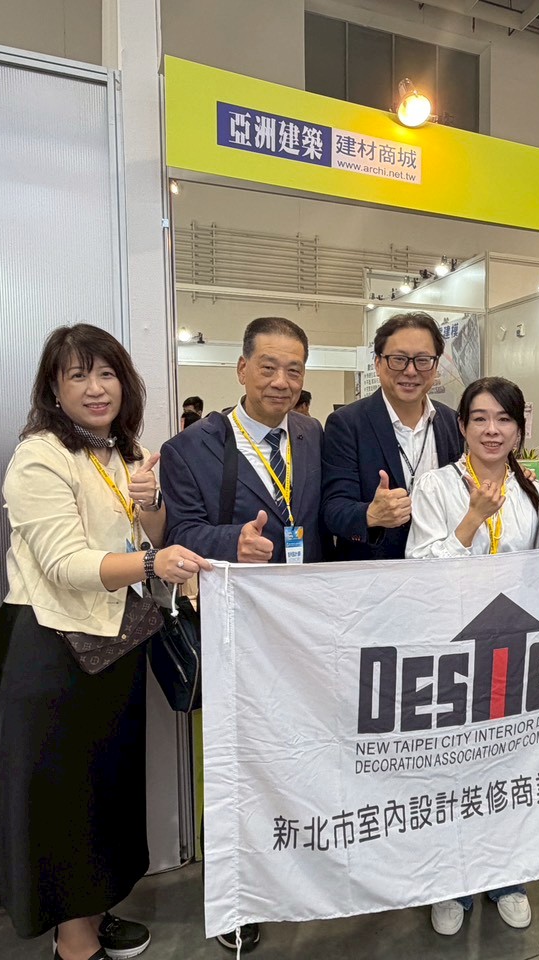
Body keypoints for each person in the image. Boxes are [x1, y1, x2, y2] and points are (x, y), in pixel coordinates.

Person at [0, 325, 210, 959]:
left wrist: (151, 502)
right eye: (77, 375)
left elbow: (146, 531)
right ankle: (73, 943)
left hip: (113, 641)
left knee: (105, 788)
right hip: (51, 648)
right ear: (54, 389)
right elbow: (65, 564)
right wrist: (153, 564)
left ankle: (94, 910)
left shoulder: (123, 452)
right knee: (64, 800)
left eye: (106, 373)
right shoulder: (40, 456)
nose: (95, 388)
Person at [161, 316, 325, 952]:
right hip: (232, 630)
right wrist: (235, 542)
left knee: (295, 756)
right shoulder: (190, 448)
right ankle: (231, 898)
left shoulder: (310, 435)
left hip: (300, 629)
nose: (281, 381)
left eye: (294, 370)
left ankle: (290, 875)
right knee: (233, 766)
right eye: (268, 367)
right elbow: (181, 534)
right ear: (241, 368)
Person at [406, 377, 539, 935]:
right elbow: (418, 570)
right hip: (450, 649)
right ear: (461, 426)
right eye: (480, 419)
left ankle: (506, 873)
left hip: (513, 647)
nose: (493, 430)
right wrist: (470, 520)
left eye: (504, 419)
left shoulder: (535, 488)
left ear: (519, 428)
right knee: (452, 767)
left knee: (510, 762)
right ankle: (451, 880)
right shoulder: (435, 485)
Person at [322, 312, 464, 562]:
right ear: (378, 363)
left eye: (422, 360)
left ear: (435, 365)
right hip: (374, 571)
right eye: (398, 359)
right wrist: (370, 514)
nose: (410, 371)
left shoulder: (452, 422)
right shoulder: (347, 424)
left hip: (440, 566)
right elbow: (333, 509)